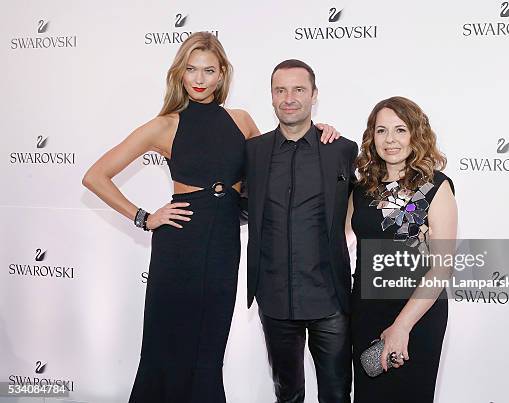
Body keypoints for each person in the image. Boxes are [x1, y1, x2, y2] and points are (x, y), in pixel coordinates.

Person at [81, 33, 339, 403]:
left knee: (208, 348)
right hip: (179, 243)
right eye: (191, 69)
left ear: (221, 76)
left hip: (222, 244)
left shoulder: (240, 120)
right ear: (180, 75)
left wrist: (319, 131)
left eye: (209, 71)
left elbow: (281, 154)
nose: (199, 79)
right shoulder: (164, 125)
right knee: (165, 346)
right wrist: (144, 217)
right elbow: (95, 176)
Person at [244, 59, 358, 403]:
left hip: (330, 298)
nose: (289, 98)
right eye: (281, 90)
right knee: (287, 394)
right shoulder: (254, 151)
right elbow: (233, 203)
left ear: (314, 95)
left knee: (337, 395)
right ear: (272, 96)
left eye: (298, 90)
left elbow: (368, 203)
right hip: (275, 298)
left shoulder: (341, 149)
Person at [347, 96, 458, 403]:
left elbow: (441, 267)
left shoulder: (436, 186)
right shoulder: (360, 189)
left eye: (400, 130)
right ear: (372, 137)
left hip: (417, 313)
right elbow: (336, 240)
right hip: (366, 310)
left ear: (415, 135)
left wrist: (402, 325)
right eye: (381, 131)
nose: (390, 139)